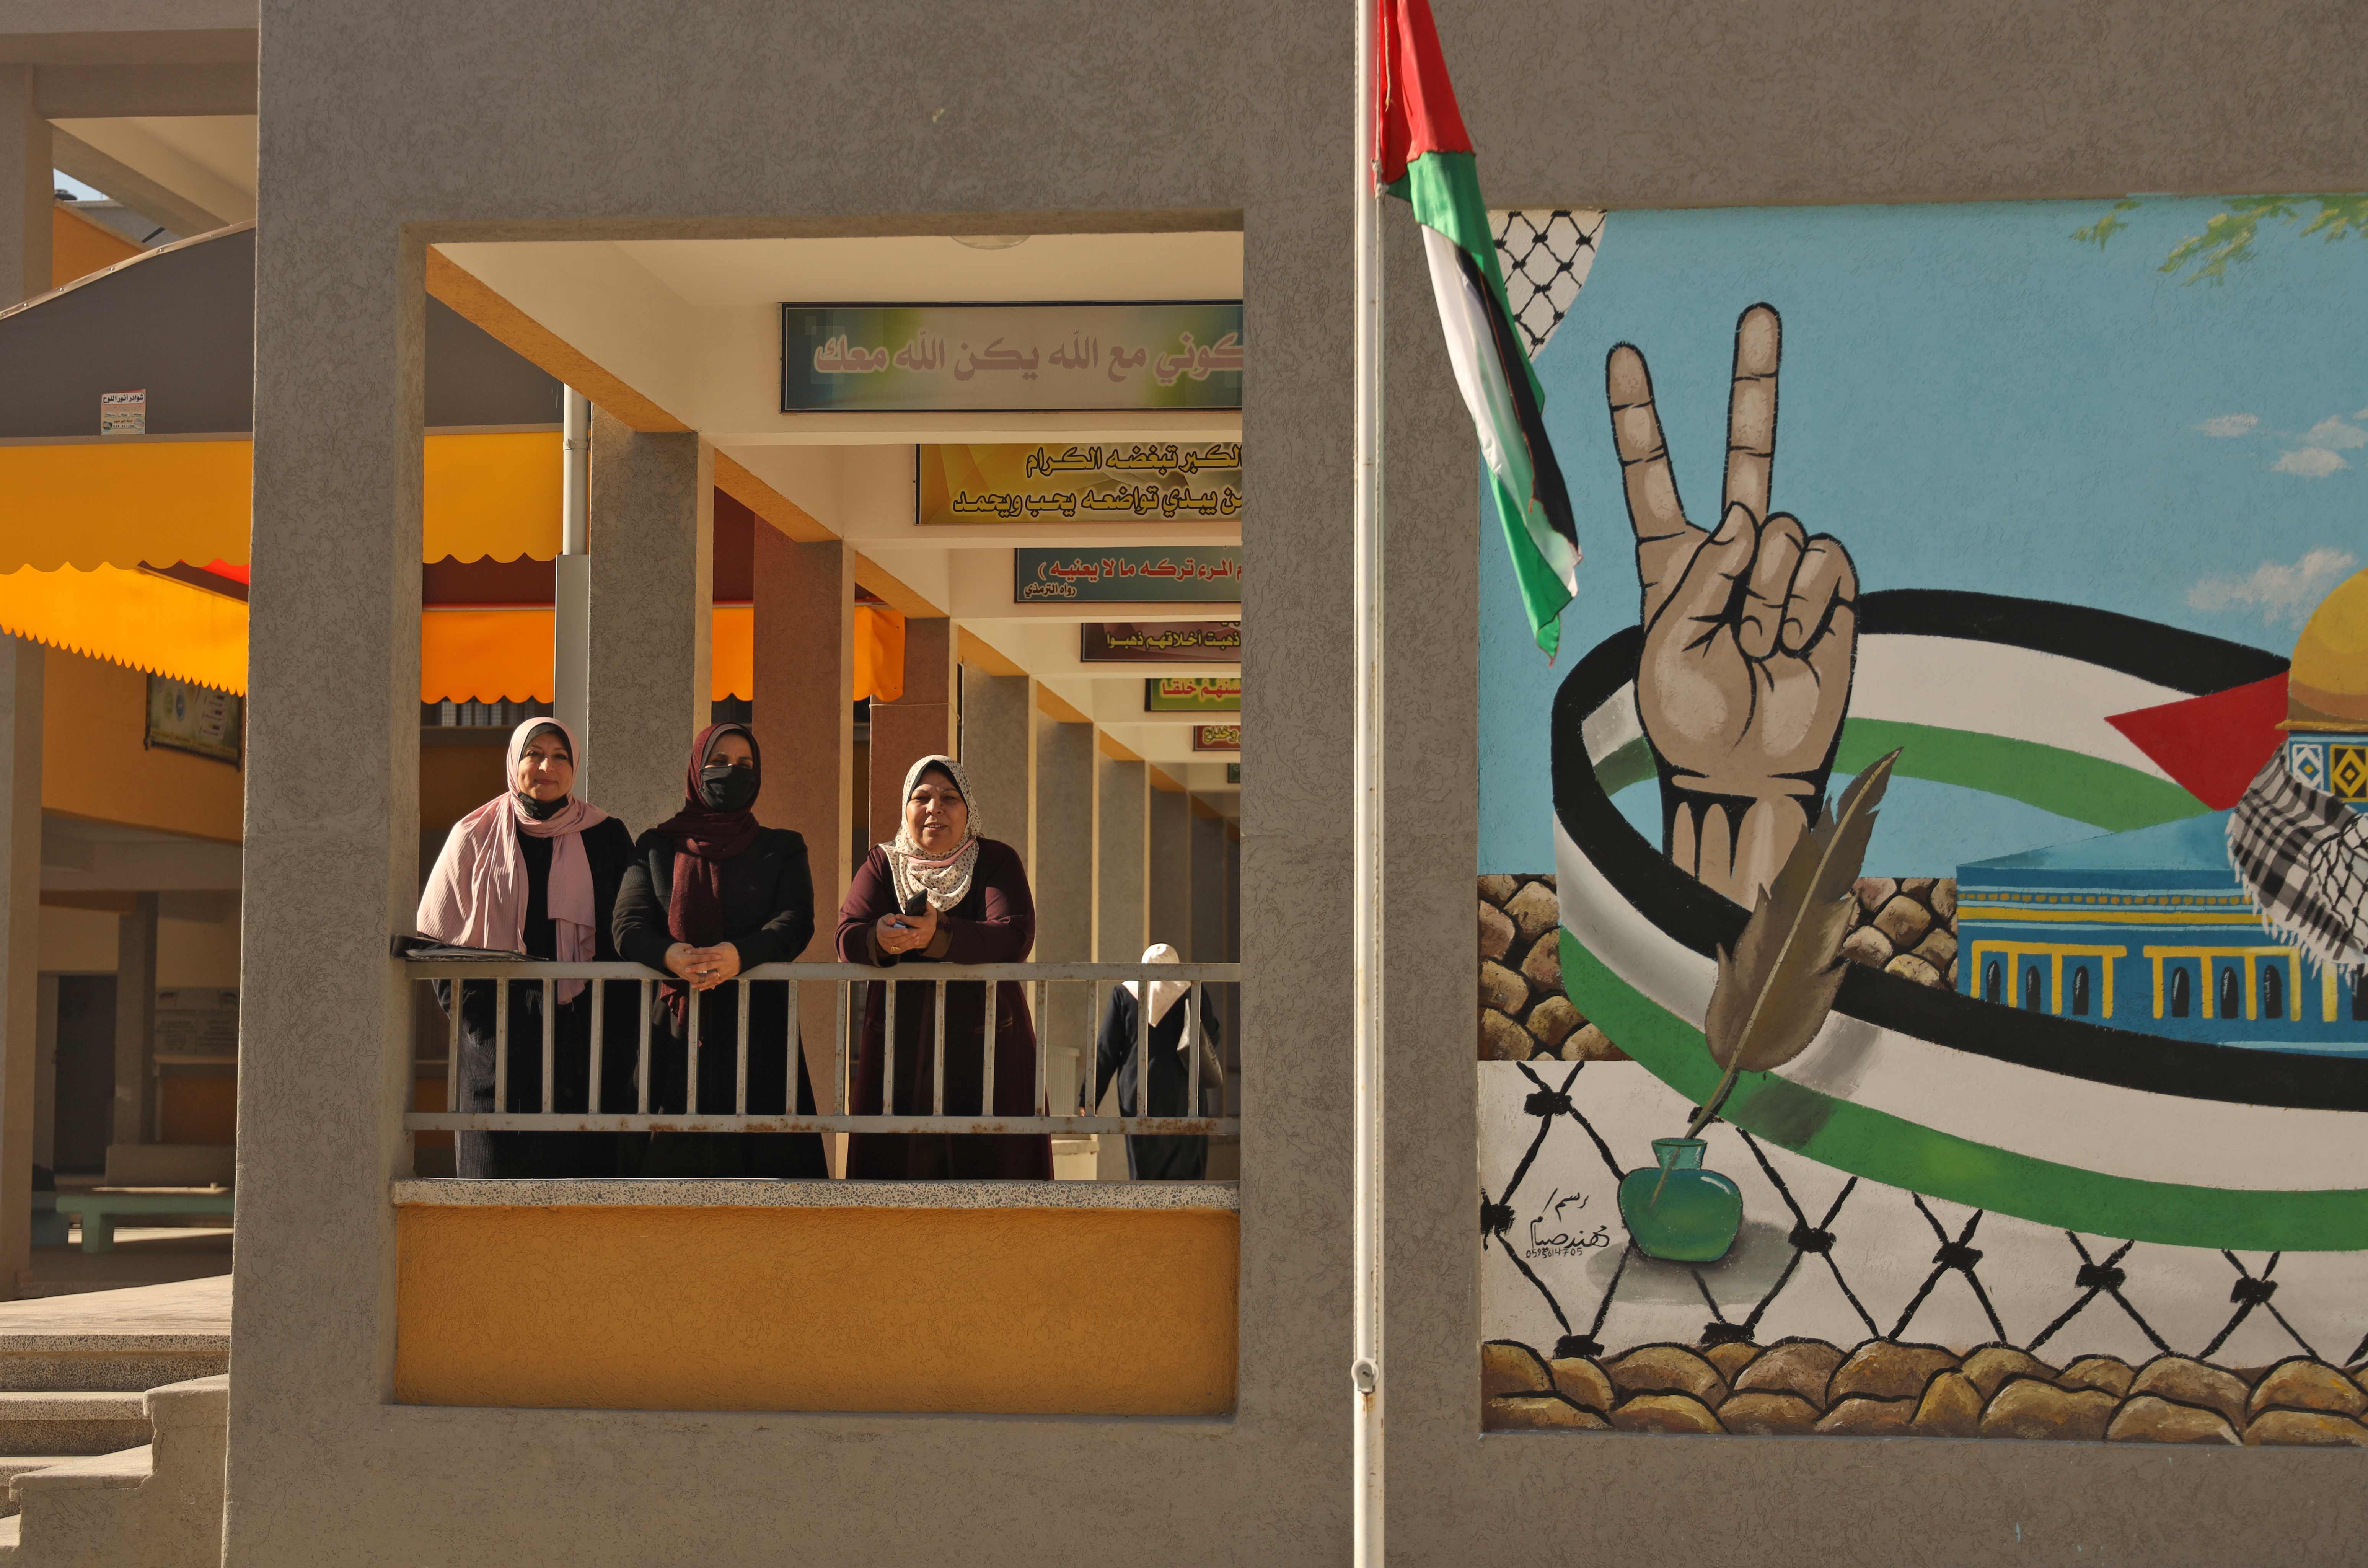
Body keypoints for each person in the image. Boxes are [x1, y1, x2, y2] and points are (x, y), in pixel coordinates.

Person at [416, 717, 637, 1177]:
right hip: (500, 1043)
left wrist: (616, 1030)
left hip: (588, 1045)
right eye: (533, 754)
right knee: (496, 1194)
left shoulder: (607, 835)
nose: (546, 767)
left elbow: (628, 934)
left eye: (560, 756)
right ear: (514, 761)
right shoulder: (474, 835)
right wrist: (478, 1021)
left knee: (587, 1197)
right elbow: (438, 937)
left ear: (574, 768)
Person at [612, 723, 826, 1177]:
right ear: (697, 769)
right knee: (665, 1182)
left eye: (745, 765)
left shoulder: (781, 848)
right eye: (720, 763)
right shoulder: (655, 847)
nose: (733, 773)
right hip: (675, 1028)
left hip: (761, 1032)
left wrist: (739, 955)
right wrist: (671, 957)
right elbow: (628, 926)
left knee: (768, 1183)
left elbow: (795, 922)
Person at [838, 755, 1050, 1180]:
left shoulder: (994, 860)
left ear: (968, 808)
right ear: (906, 809)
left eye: (950, 798)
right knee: (897, 1186)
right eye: (922, 797)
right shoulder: (884, 864)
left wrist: (940, 935)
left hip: (988, 1046)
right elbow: (847, 936)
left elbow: (1015, 935)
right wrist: (879, 937)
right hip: (902, 1046)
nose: (935, 808)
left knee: (993, 1184)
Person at [1092, 943, 1226, 1180]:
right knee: (1186, 1168)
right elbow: (1212, 1036)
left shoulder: (1125, 994)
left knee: (1146, 1171)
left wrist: (1089, 1097)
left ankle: (1148, 1215)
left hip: (1139, 1093)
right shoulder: (1192, 990)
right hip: (1184, 1092)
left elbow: (1107, 1050)